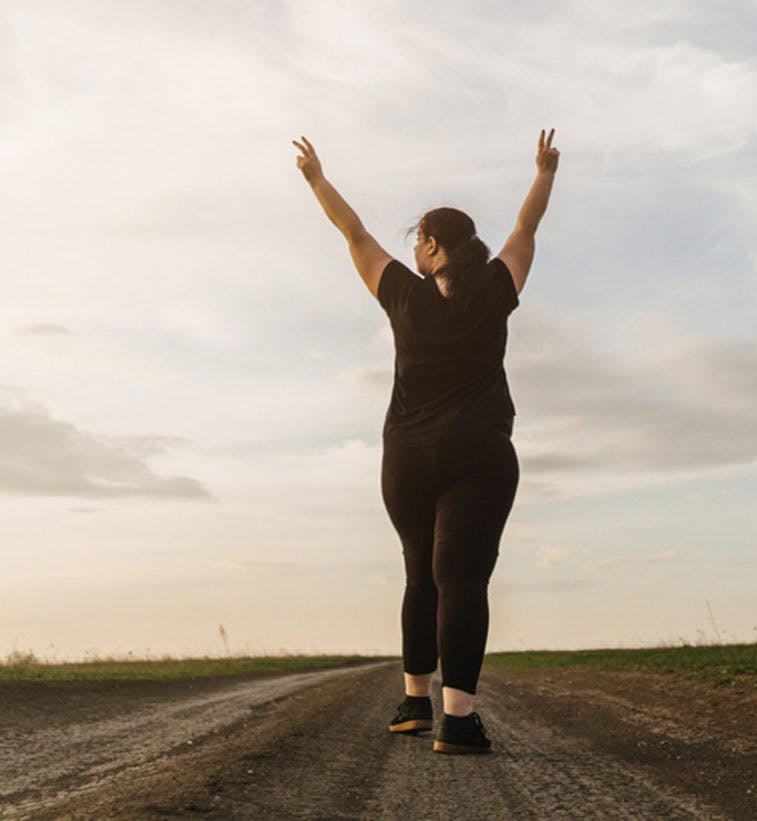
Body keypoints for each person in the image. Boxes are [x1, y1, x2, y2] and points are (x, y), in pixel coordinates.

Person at [292, 129, 559, 754]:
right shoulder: (496, 289)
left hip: (407, 459)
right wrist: (544, 173)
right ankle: (457, 721)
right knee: (461, 580)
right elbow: (527, 228)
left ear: (433, 245)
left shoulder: (403, 295)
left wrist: (317, 180)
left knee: (420, 576)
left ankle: (414, 703)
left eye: (418, 239)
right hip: (478, 454)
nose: (413, 248)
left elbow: (354, 233)